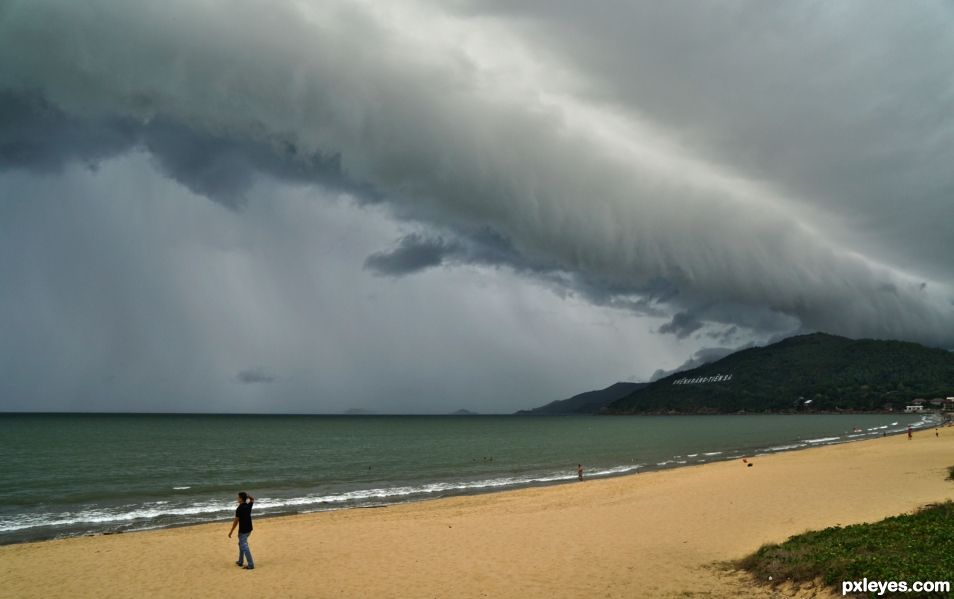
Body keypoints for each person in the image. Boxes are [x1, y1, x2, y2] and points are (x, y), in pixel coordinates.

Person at [228, 491, 255, 570]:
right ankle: (240, 561)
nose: (237, 498)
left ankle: (251, 564)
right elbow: (252, 499)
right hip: (249, 529)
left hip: (243, 531)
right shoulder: (248, 504)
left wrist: (231, 531)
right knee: (241, 544)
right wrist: (247, 495)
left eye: (238, 497)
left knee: (244, 546)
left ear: (241, 499)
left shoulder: (239, 508)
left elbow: (236, 521)